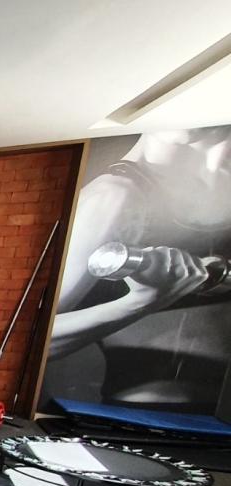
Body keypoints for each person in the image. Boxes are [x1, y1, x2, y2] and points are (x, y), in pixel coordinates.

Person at [49, 126, 231, 412]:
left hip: (218, 424)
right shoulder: (113, 198)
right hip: (144, 417)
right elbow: (30, 342)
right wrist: (141, 301)